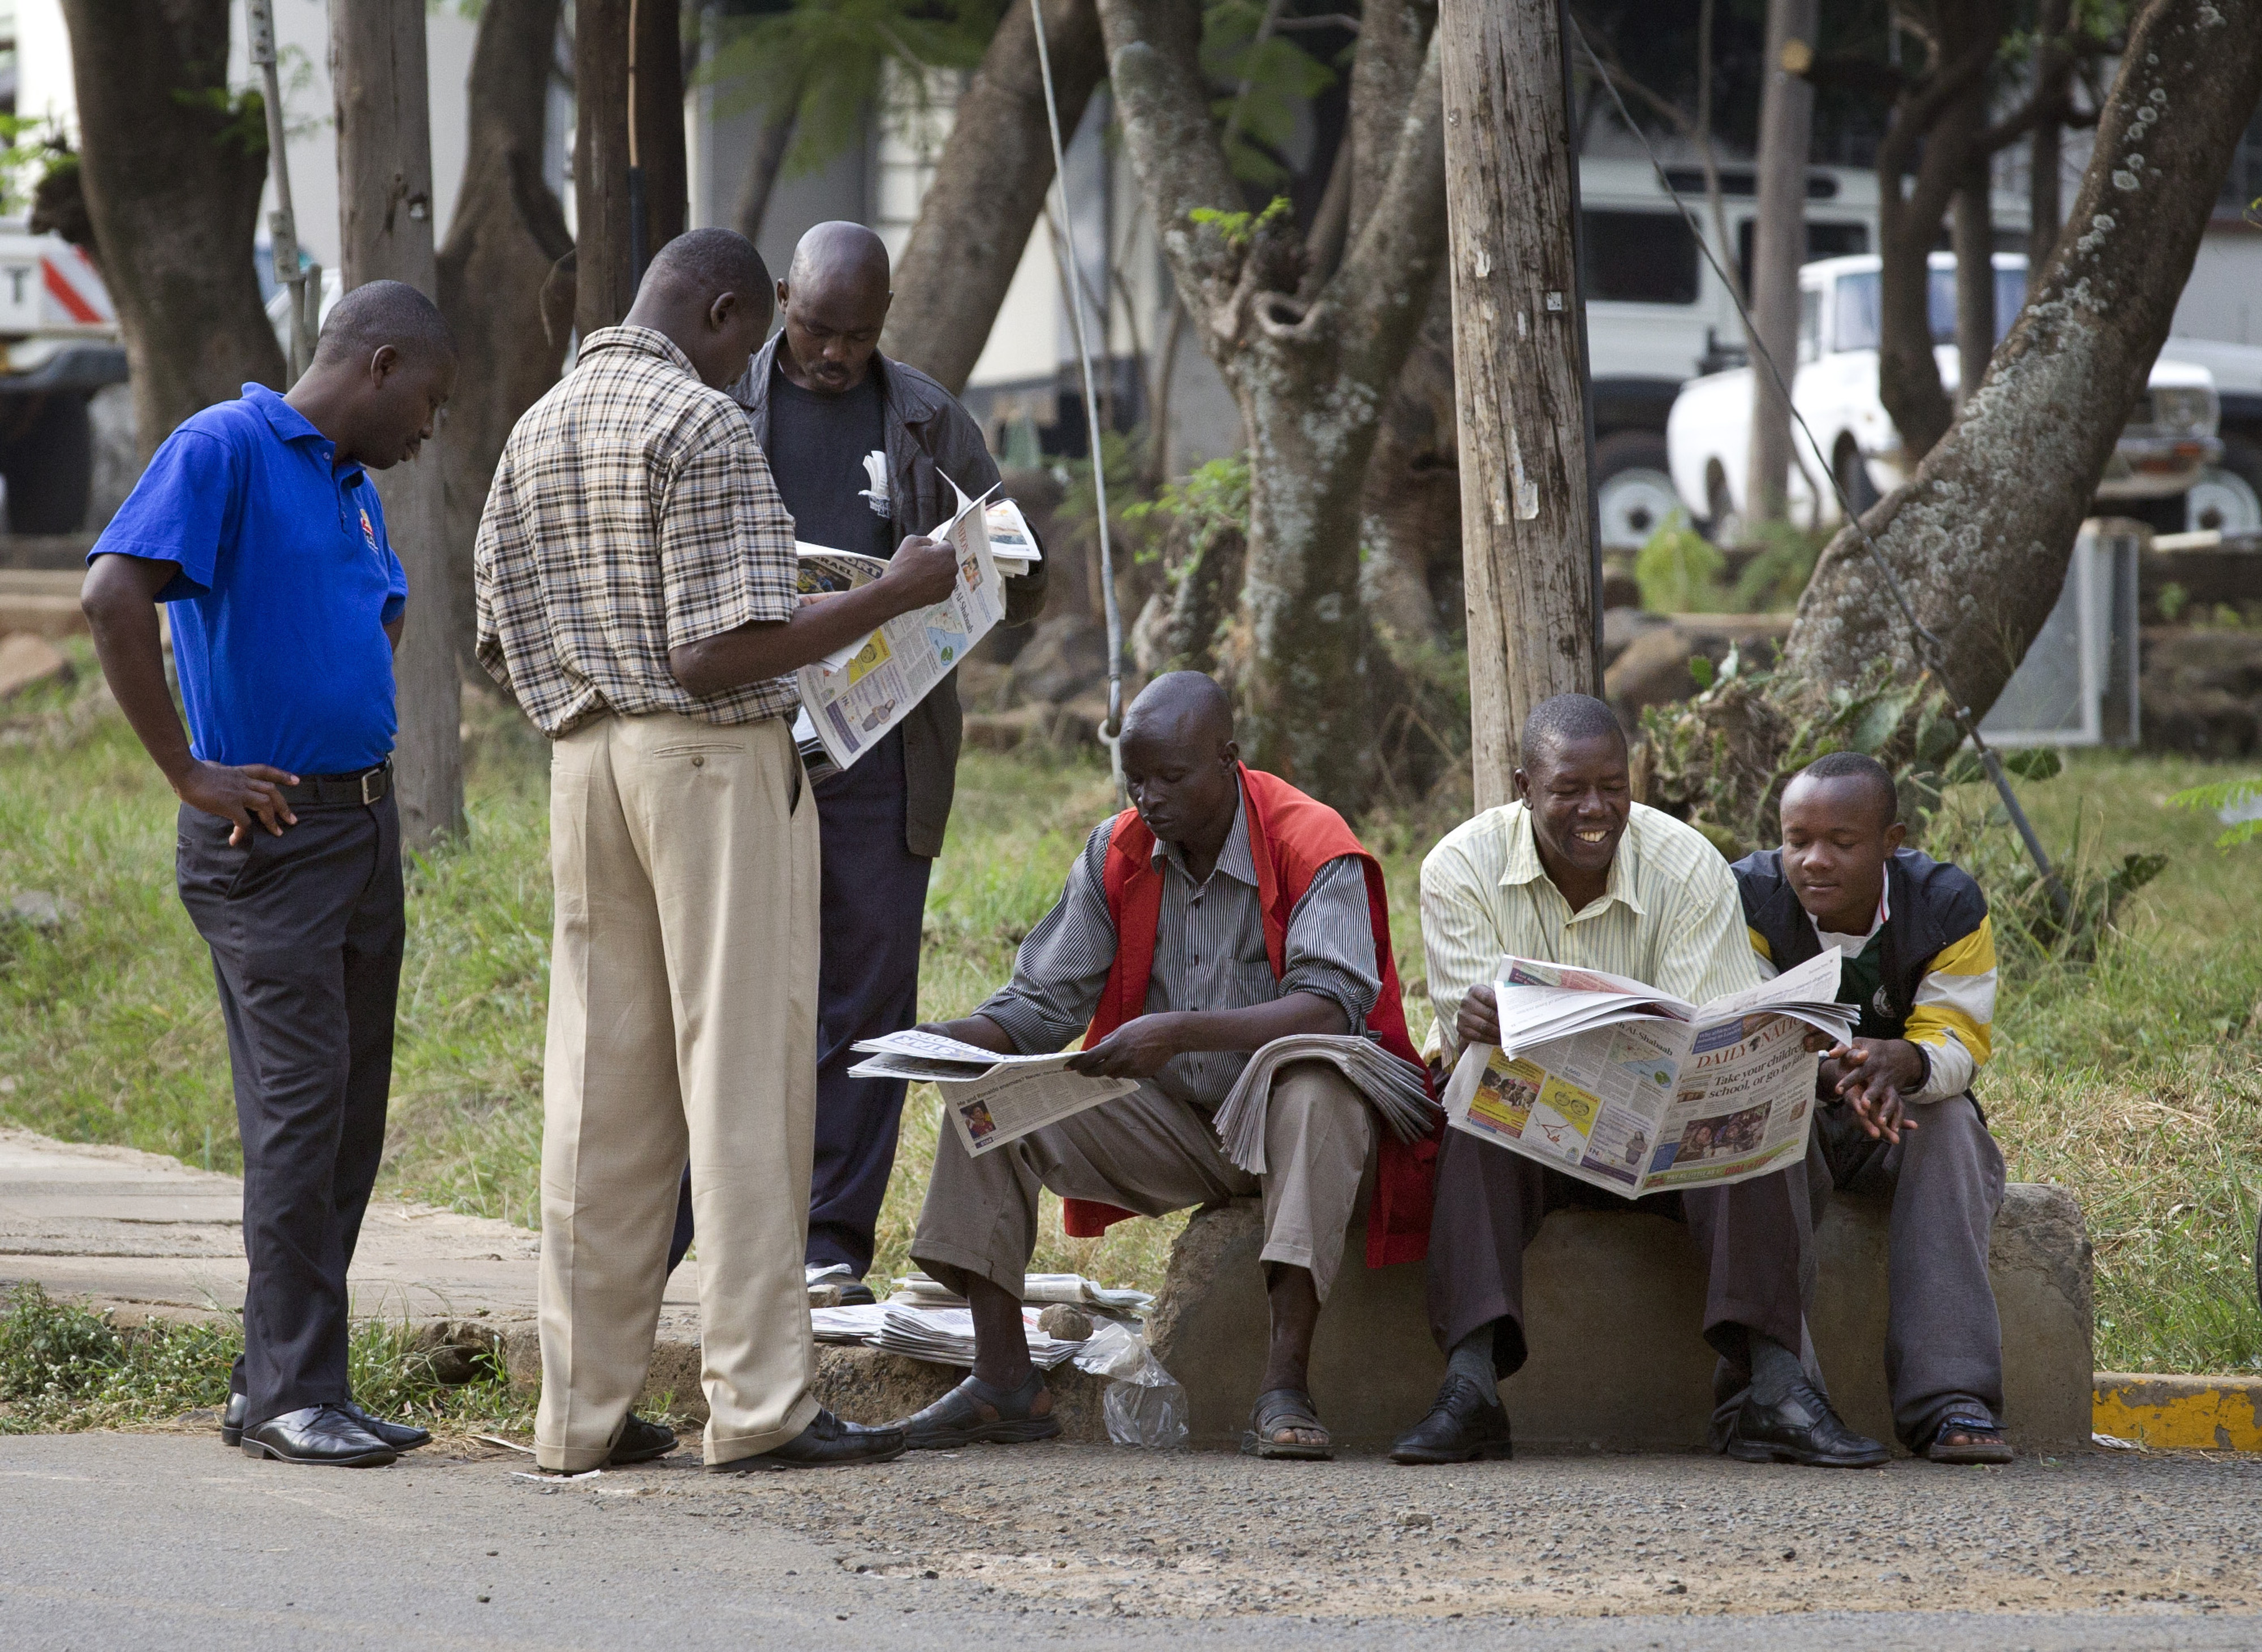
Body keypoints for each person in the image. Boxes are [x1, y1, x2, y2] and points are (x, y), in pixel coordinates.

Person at [474, 228, 957, 1474]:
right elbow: (716, 650)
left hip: (581, 759)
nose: (759, 361)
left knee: (599, 1089)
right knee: (742, 1074)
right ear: (734, 309)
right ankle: (758, 1404)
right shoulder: (702, 427)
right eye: (758, 336)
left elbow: (492, 637)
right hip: (705, 761)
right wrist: (888, 598)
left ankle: (577, 1417)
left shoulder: (539, 425)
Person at [79, 280, 457, 1468]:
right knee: (297, 1116)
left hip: (359, 831)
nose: (430, 431)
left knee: (344, 1124)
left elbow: (375, 619)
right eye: (431, 403)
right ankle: (295, 1393)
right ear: (382, 366)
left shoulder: (350, 491)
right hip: (268, 844)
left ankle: (280, 1384)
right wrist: (191, 770)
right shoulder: (225, 446)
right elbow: (110, 593)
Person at [890, 672, 1435, 1459]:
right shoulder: (1120, 850)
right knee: (988, 1103)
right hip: (1182, 1123)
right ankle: (1005, 1376)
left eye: (1171, 777)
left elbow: (1330, 1006)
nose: (1150, 798)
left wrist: (1177, 1030)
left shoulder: (1311, 842)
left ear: (1229, 759)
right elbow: (1042, 1003)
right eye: (1135, 779)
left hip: (1300, 1122)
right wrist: (949, 1038)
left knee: (1317, 1082)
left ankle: (1284, 1385)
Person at [661, 220, 1048, 1305]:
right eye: (819, 327)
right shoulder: (718, 407)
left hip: (884, 754)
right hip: (749, 737)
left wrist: (1002, 566)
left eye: (859, 334)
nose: (835, 352)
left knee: (869, 999)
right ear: (784, 298)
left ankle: (832, 1236)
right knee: (730, 987)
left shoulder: (926, 416)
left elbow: (1019, 575)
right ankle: (693, 1223)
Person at [1397, 693, 1887, 1469]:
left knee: (1746, 1119)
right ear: (1523, 786)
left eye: (1614, 787)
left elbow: (1709, 1028)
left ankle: (1775, 1384)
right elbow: (1468, 1032)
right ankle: (1469, 1386)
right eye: (1569, 790)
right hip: (1536, 1132)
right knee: (1477, 1114)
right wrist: (1479, 1022)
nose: (1596, 809)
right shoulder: (1458, 867)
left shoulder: (1685, 861)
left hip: (1664, 1141)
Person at [1736, 750, 2011, 1464]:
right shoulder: (1747, 898)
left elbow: (1957, 1037)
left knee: (1950, 1127)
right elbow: (1747, 1025)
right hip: (1799, 1102)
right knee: (1768, 1128)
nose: (1814, 862)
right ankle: (1776, 1392)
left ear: (1891, 842)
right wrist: (1835, 1071)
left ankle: (1951, 1397)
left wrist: (1906, 1060)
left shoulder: (1946, 906)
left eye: (1843, 843)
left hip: (1898, 1113)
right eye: (1797, 841)